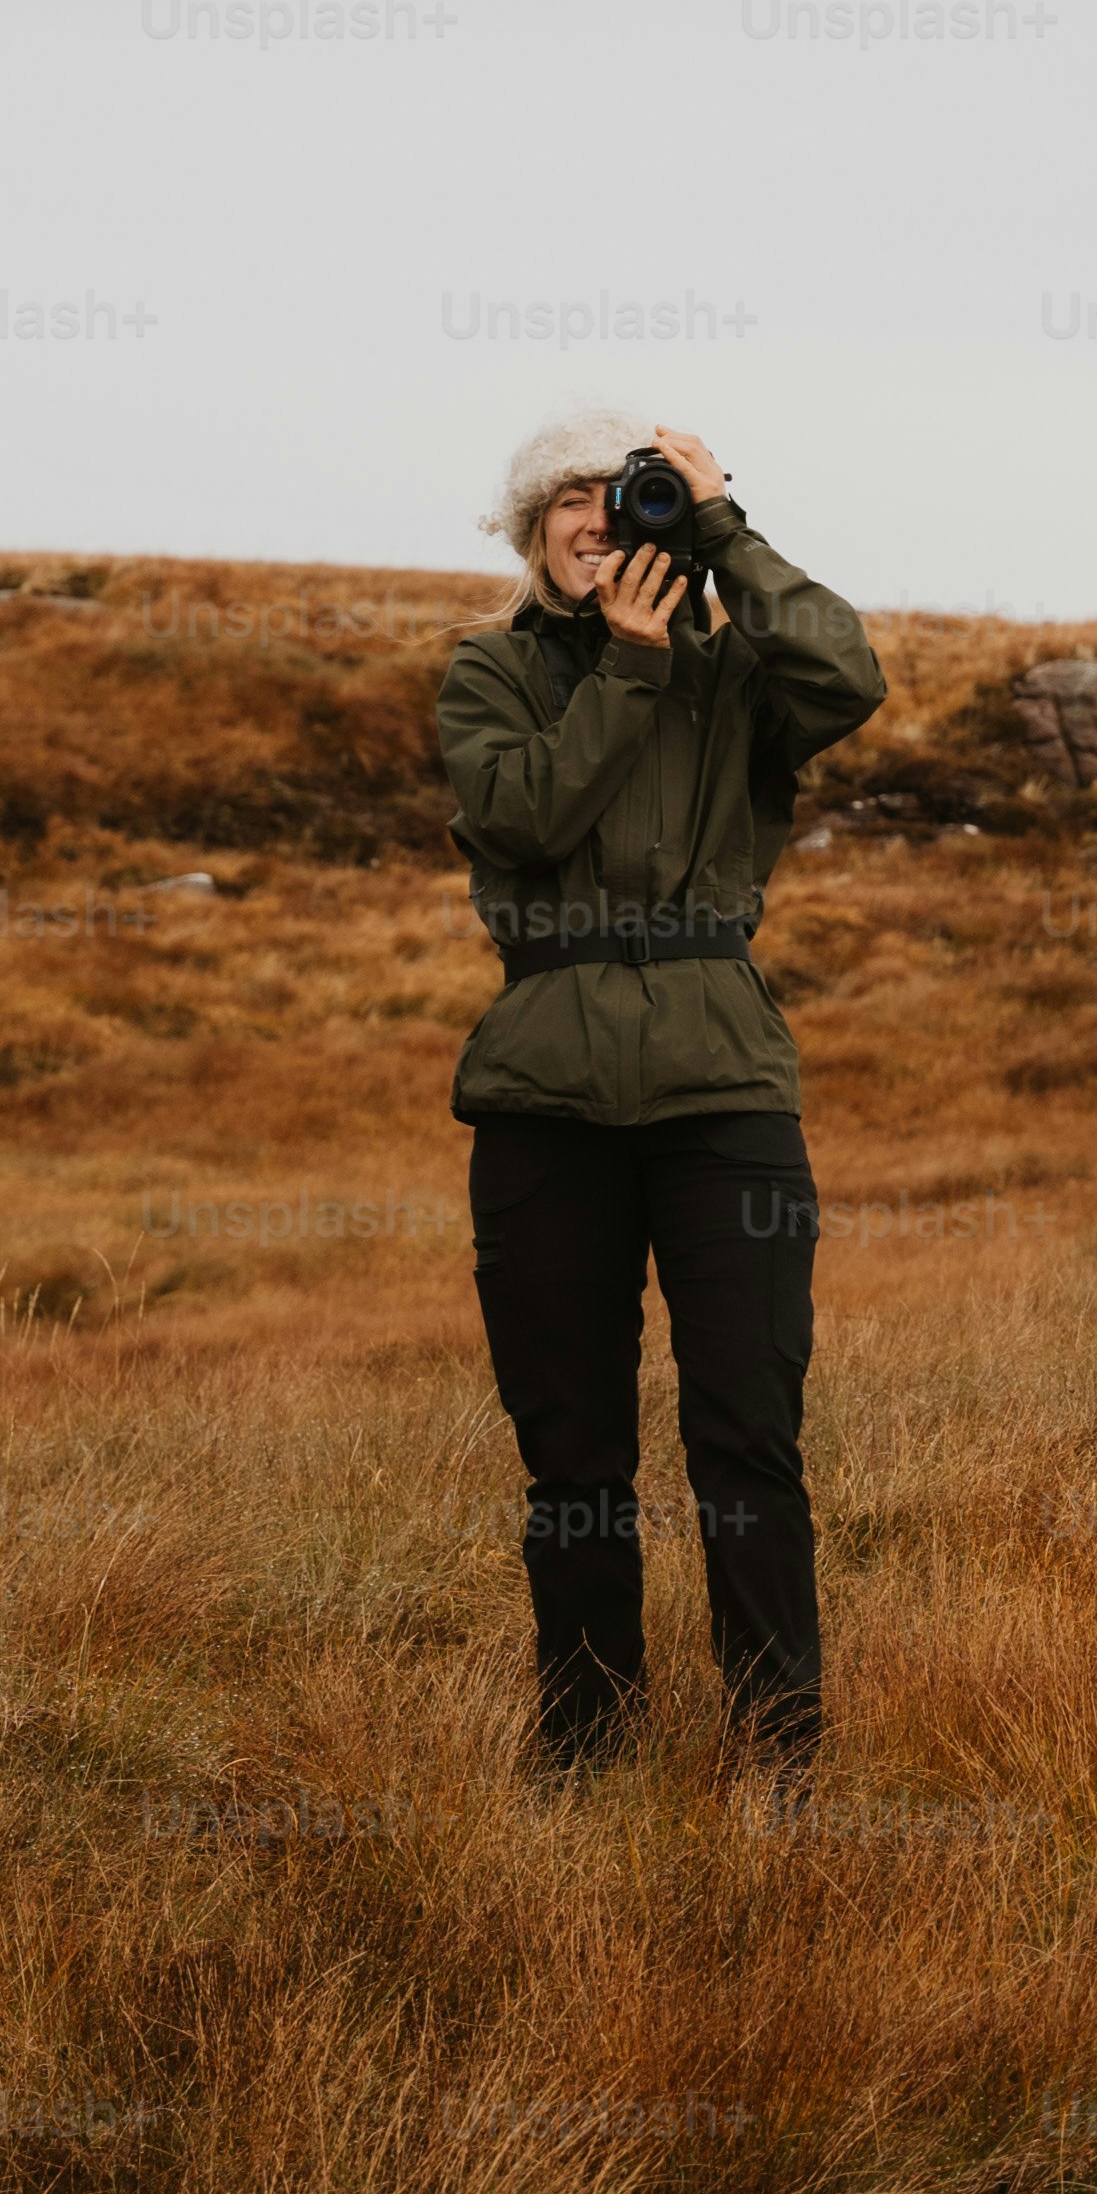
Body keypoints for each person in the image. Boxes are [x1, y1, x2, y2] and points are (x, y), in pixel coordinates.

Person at [434, 410, 888, 1778]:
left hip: (725, 1095)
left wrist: (723, 529)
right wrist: (629, 670)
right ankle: (587, 1752)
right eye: (566, 500)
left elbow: (849, 675)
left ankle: (780, 1757)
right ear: (530, 531)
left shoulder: (740, 670)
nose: (597, 520)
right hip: (543, 1102)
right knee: (573, 1454)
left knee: (748, 1435)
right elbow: (522, 818)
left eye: (621, 495)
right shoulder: (489, 673)